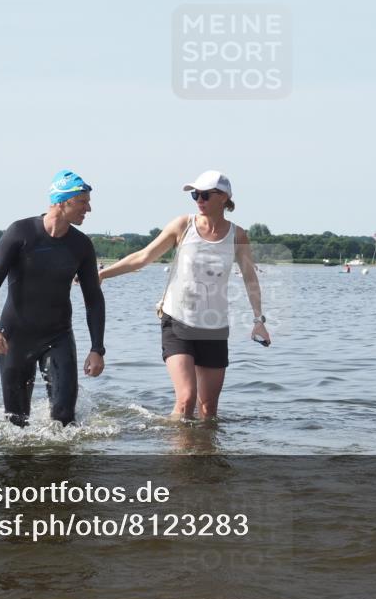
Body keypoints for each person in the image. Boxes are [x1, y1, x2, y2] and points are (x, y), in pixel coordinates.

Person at [99, 170, 270, 420]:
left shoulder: (238, 235)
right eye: (195, 195)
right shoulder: (183, 225)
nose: (199, 199)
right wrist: (102, 275)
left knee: (208, 409)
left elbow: (250, 279)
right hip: (177, 321)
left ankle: (204, 456)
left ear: (223, 198)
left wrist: (259, 321)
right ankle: (178, 457)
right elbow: (143, 257)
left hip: (214, 327)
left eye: (204, 194)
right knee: (186, 399)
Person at [0, 170, 105, 428]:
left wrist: (97, 348)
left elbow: (93, 298)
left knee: (64, 420)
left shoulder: (81, 245)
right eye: (83, 201)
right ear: (62, 201)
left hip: (58, 336)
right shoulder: (21, 232)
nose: (89, 208)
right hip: (15, 337)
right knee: (16, 423)